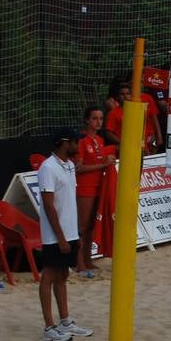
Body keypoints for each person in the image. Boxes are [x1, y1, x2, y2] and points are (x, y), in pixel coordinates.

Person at [37, 131, 94, 341]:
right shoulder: (47, 167)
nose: (78, 144)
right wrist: (60, 237)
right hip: (54, 234)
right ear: (63, 143)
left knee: (63, 275)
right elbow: (49, 205)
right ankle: (49, 326)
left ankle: (65, 320)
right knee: (49, 276)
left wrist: (75, 231)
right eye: (75, 141)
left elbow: (69, 199)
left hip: (69, 232)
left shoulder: (69, 165)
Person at [74, 105, 114, 279]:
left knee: (90, 227)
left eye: (101, 119)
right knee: (81, 228)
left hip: (98, 187)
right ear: (87, 120)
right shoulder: (82, 140)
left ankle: (88, 259)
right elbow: (79, 167)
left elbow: (101, 161)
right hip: (85, 187)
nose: (98, 122)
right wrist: (103, 164)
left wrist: (107, 160)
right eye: (95, 118)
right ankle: (79, 262)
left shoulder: (99, 140)